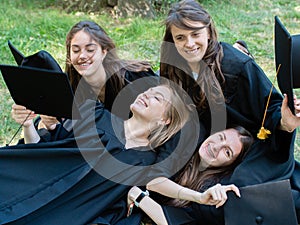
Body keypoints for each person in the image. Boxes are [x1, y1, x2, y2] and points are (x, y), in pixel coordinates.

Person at [156, 0, 300, 223]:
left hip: (255, 142)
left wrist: (285, 122)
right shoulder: (174, 67)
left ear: (209, 32)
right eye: (180, 38)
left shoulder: (236, 66)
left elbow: (270, 106)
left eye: (195, 34)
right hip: (210, 137)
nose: (189, 44)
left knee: (239, 192)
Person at [0, 82, 193, 225]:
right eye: (147, 90)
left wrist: (199, 197)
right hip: (29, 189)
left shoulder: (144, 161)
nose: (145, 95)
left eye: (157, 97)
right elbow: (44, 153)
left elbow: (154, 187)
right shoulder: (98, 116)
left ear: (166, 119)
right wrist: (27, 125)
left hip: (62, 216)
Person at [11, 20, 157, 140]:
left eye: (90, 49)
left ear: (104, 52)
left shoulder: (133, 78)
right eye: (76, 50)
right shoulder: (73, 86)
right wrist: (46, 123)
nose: (82, 56)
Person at [125, 126, 253, 225]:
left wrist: (139, 197)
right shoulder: (186, 145)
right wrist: (198, 197)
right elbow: (152, 181)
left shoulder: (210, 186)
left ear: (230, 164)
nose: (216, 147)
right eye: (220, 137)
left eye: (227, 152)